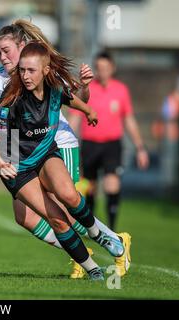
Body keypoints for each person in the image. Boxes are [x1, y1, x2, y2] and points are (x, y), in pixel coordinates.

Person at [0, 20, 131, 278]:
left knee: (66, 202)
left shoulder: (41, 68)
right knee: (25, 217)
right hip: (23, 153)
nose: (3, 57)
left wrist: (85, 90)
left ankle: (111, 243)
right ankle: (81, 251)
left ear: (22, 46)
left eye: (7, 50)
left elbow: (75, 99)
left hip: (58, 142)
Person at [0, 41, 125, 280]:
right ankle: (92, 269)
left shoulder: (54, 88)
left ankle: (97, 233)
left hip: (46, 154)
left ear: (46, 70)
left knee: (69, 195)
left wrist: (88, 111)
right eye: (22, 70)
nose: (25, 76)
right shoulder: (12, 98)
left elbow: (70, 99)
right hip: (18, 168)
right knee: (57, 219)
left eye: (31, 70)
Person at [68, 52, 149, 234]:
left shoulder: (121, 90)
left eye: (105, 68)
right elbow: (75, 117)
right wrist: (64, 141)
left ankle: (111, 228)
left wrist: (140, 148)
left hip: (112, 145)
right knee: (89, 187)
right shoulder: (87, 90)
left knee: (112, 184)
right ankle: (91, 227)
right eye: (99, 68)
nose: (102, 71)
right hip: (89, 144)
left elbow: (129, 120)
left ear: (112, 68)